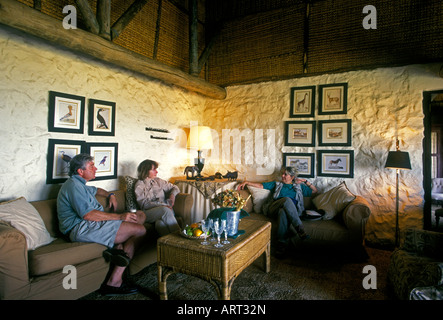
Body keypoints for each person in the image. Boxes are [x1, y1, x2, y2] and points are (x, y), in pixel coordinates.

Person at [57, 153, 147, 296]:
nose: (96, 168)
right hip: (81, 228)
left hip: (91, 224)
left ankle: (117, 248)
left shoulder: (81, 184)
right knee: (140, 230)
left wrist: (110, 195)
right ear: (81, 171)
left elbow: (97, 190)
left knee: (140, 215)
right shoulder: (73, 186)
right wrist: (119, 217)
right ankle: (114, 282)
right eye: (91, 166)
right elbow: (88, 215)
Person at [237, 166, 318, 257]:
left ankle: (281, 245)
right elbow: (260, 186)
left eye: (285, 174)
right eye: (282, 174)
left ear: (292, 177)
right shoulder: (277, 184)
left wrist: (305, 181)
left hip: (288, 211)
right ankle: (299, 228)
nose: (282, 176)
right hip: (273, 208)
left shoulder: (299, 187)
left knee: (282, 212)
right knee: (287, 200)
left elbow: (314, 191)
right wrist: (247, 182)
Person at [134, 159, 181, 236]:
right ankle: (180, 237)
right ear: (146, 171)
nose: (156, 172)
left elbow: (175, 188)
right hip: (148, 213)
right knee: (164, 210)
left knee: (160, 224)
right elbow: (144, 204)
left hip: (164, 210)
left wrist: (172, 196)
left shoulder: (158, 181)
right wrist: (162, 205)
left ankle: (169, 246)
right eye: (154, 169)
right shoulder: (139, 185)